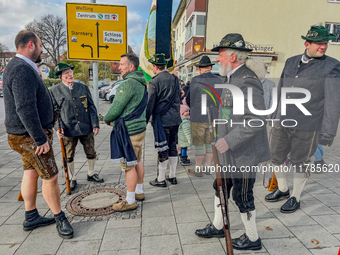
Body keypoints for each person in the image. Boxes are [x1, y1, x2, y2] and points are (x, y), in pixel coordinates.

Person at [195, 33, 270, 251]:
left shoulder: (247, 81)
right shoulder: (230, 79)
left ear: (233, 57)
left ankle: (253, 238)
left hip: (245, 152)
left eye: (220, 55)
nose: (216, 59)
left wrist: (228, 140)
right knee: (219, 186)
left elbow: (256, 120)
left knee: (242, 194)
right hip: (228, 150)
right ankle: (219, 226)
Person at [3, 30, 73, 238]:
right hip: (29, 136)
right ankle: (60, 217)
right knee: (51, 176)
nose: (42, 49)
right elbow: (25, 108)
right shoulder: (21, 69)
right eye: (41, 45)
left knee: (30, 172)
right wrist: (40, 138)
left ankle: (31, 215)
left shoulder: (18, 66)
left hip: (24, 134)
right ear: (31, 45)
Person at [265, 25, 340, 212]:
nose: (323, 47)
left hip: (309, 124)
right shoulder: (290, 62)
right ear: (307, 44)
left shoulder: (332, 66)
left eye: (326, 44)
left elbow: (333, 101)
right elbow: (281, 88)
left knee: (301, 161)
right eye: (319, 44)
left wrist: (328, 132)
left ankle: (295, 197)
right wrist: (275, 113)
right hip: (283, 120)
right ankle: (283, 189)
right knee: (275, 157)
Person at [50, 62, 103, 191]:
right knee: (69, 155)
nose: (70, 75)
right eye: (66, 73)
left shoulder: (82, 87)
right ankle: (72, 178)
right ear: (60, 76)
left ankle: (91, 173)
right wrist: (58, 128)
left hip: (86, 126)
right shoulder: (54, 91)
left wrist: (95, 124)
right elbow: (53, 112)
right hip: (68, 128)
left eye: (71, 72)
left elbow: (91, 106)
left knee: (91, 151)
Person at [104, 53, 147, 211]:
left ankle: (130, 200)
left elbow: (115, 108)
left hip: (129, 131)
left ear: (131, 67)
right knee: (137, 161)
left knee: (129, 165)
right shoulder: (141, 82)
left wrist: (106, 118)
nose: (119, 67)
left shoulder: (128, 84)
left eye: (122, 64)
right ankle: (139, 191)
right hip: (139, 128)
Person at [146, 53, 182, 187]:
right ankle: (172, 176)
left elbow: (150, 102)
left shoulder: (154, 81)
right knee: (173, 146)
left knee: (162, 148)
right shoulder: (174, 78)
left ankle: (161, 179)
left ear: (155, 67)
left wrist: (145, 120)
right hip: (175, 119)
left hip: (162, 120)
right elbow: (178, 96)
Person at [185, 56, 222, 177]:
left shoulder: (196, 80)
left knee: (199, 143)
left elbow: (190, 99)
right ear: (211, 67)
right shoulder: (219, 80)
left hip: (198, 116)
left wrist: (192, 108)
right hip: (214, 115)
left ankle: (198, 168)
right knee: (210, 142)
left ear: (200, 68)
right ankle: (208, 167)